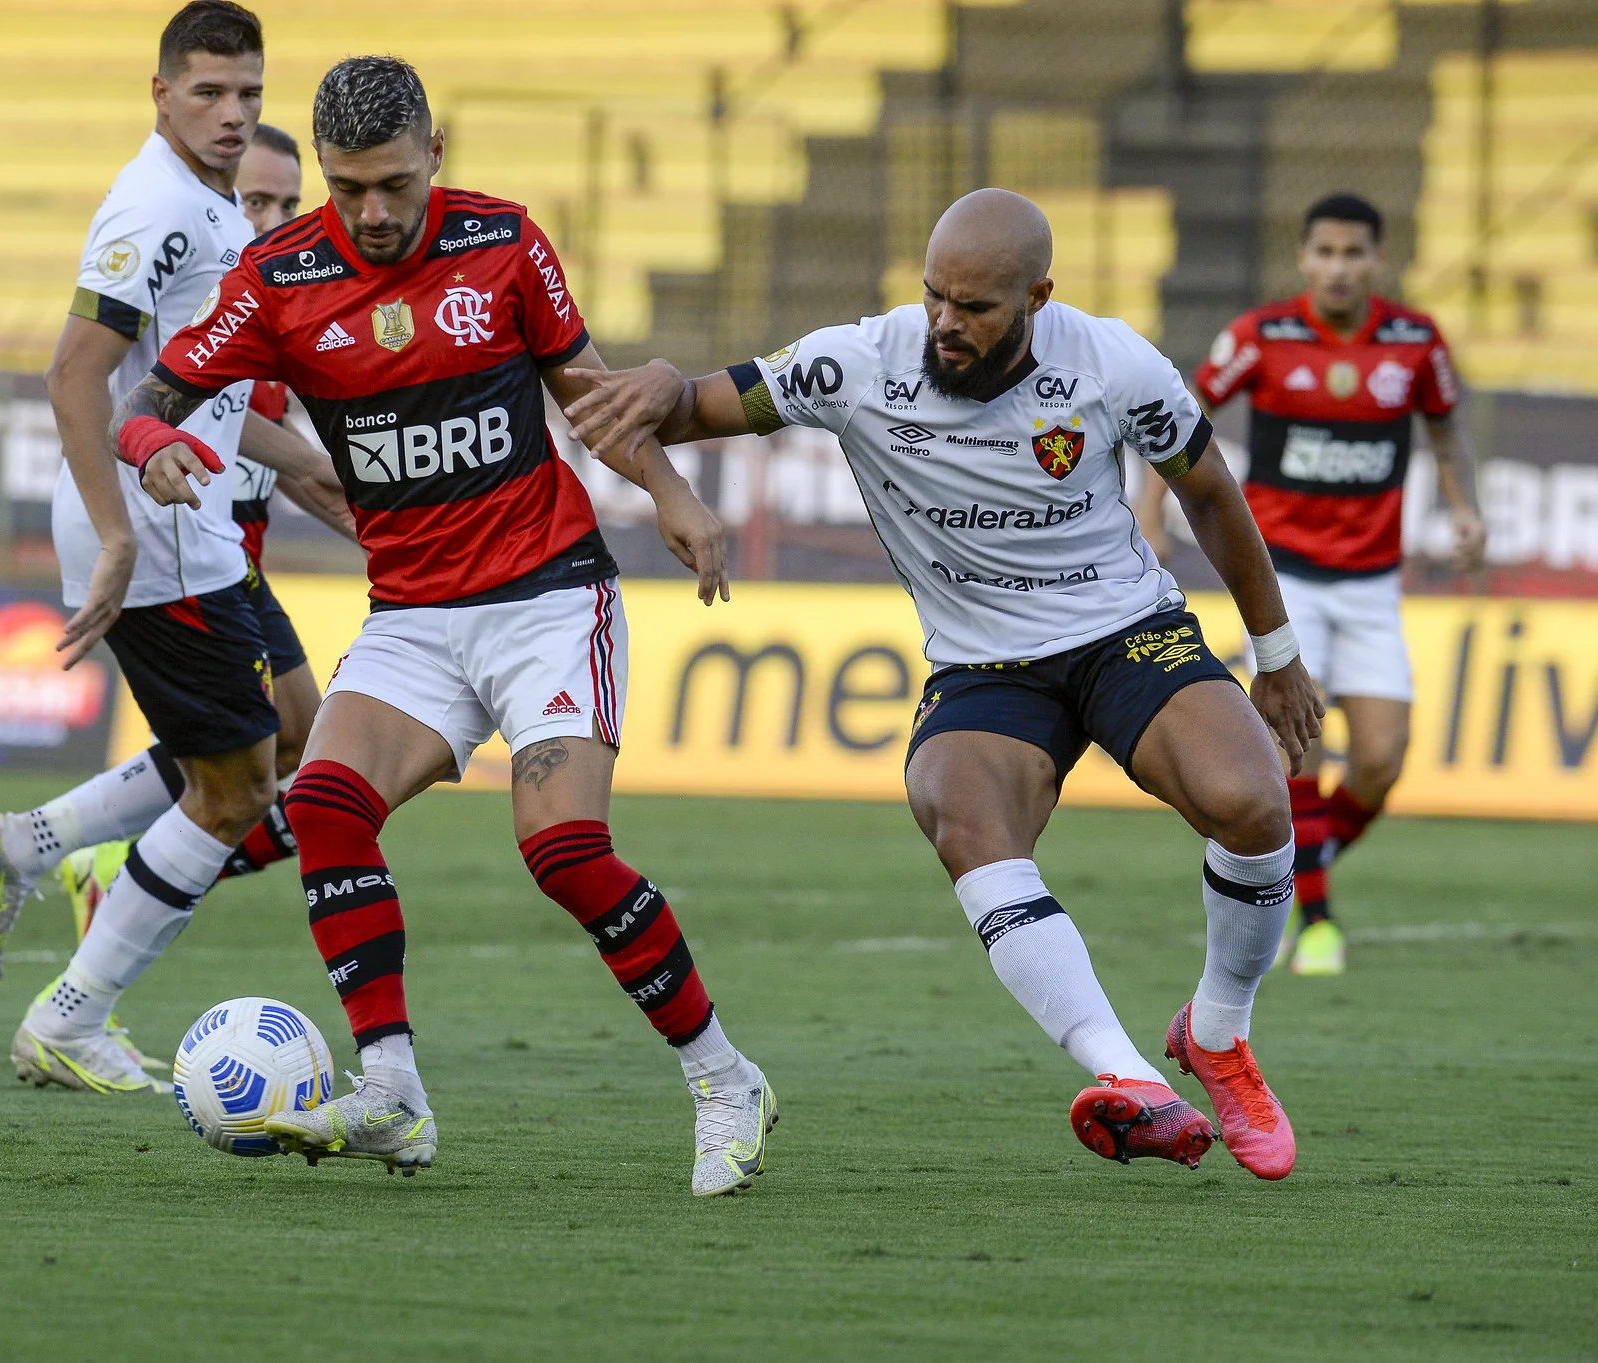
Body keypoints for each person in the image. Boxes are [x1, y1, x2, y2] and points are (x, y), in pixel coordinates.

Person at [562, 189, 1326, 1181]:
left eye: (974, 308)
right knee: (956, 810)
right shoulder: (858, 363)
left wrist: (1276, 655)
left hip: (1123, 632)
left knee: (1256, 803)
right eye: (933, 298)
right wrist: (663, 382)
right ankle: (1131, 1077)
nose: (945, 326)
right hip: (983, 665)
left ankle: (1217, 1033)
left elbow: (1209, 492)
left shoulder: (1113, 365)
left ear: (1037, 296)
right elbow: (686, 405)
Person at [114, 55, 776, 1196]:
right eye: (347, 187)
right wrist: (157, 449)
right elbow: (146, 404)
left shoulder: (505, 245)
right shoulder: (280, 277)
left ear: (435, 159)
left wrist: (672, 495)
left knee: (563, 852)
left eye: (393, 184)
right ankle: (393, 1093)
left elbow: (590, 397)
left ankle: (724, 1078)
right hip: (414, 614)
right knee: (321, 805)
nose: (371, 212)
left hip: (548, 597)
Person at [0, 1, 342, 1095]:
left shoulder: (211, 208)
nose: (231, 114)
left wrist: (314, 470)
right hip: (159, 531)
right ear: (160, 93)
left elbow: (200, 396)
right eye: (209, 93)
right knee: (235, 792)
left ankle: (22, 846)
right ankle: (71, 1017)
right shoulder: (156, 209)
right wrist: (117, 535)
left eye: (249, 94)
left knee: (282, 735)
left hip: (196, 520)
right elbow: (76, 375)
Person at [1139, 193, 1483, 976]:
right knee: (1301, 747)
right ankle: (1319, 921)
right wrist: (1149, 504)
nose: (1337, 266)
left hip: (1370, 582)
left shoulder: (1413, 342)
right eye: (1323, 252)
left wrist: (1464, 509)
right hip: (1283, 577)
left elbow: (1445, 425)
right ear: (1302, 258)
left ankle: (1295, 873)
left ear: (1377, 260)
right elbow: (1179, 414)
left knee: (1380, 760)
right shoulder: (1260, 337)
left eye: (1352, 253)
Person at [56, 121, 349, 943]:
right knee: (257, 766)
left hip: (232, 549)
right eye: (257, 199)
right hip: (186, 544)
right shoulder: (201, 282)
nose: (273, 218)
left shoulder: (274, 293)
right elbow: (115, 388)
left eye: (289, 204)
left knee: (278, 746)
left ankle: (88, 858)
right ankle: (90, 873)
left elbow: (277, 447)